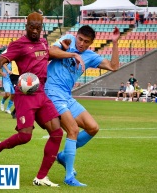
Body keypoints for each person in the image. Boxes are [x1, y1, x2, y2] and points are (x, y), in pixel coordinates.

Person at [0, 12, 63, 187]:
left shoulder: (43, 42)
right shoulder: (18, 44)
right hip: (26, 95)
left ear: (42, 28)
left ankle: (41, 177)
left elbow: (46, 56)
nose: (35, 30)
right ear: (26, 25)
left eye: (38, 27)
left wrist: (65, 50)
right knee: (25, 136)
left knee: (57, 133)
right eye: (31, 27)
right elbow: (0, 59)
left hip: (41, 92)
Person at [45, 25, 120, 186]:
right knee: (73, 130)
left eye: (86, 42)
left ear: (90, 43)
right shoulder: (68, 40)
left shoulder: (90, 56)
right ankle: (69, 177)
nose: (81, 44)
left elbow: (114, 67)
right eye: (80, 39)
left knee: (93, 127)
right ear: (76, 36)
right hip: (52, 92)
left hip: (66, 96)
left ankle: (64, 156)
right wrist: (72, 54)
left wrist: (114, 43)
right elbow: (50, 52)